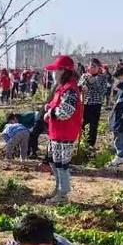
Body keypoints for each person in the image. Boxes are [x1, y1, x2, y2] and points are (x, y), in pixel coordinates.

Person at [43, 55, 83, 205]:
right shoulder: (62, 88)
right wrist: (50, 108)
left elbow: (66, 111)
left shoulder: (70, 90)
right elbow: (58, 106)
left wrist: (51, 112)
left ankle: (63, 195)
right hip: (57, 132)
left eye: (56, 70)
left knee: (61, 164)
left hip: (65, 133)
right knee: (54, 162)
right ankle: (58, 189)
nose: (54, 74)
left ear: (64, 71)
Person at [78, 59, 107, 150]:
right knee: (83, 124)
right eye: (91, 66)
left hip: (95, 104)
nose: (92, 68)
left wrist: (94, 81)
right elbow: (79, 86)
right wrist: (83, 87)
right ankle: (82, 142)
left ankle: (90, 145)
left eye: (95, 66)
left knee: (93, 125)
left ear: (99, 68)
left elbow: (103, 91)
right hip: (85, 103)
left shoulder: (102, 77)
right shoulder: (84, 76)